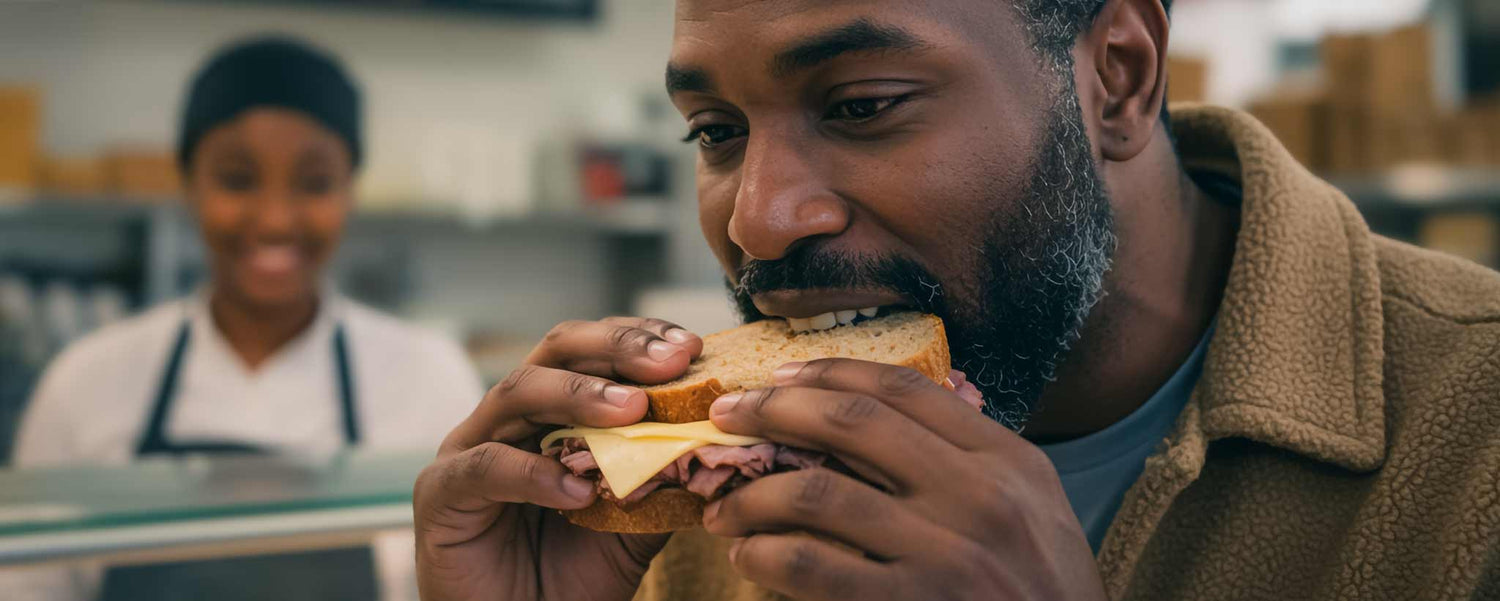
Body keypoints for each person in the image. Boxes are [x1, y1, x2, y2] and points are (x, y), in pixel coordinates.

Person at [412, 0, 1500, 600]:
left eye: (862, 105)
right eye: (716, 132)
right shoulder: (695, 495)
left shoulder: (1474, 442)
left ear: (1116, 75)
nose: (757, 220)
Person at [9, 36, 482, 600]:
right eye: (237, 179)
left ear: (350, 191)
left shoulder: (431, 378)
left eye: (314, 183)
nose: (276, 218)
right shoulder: (85, 381)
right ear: (189, 185)